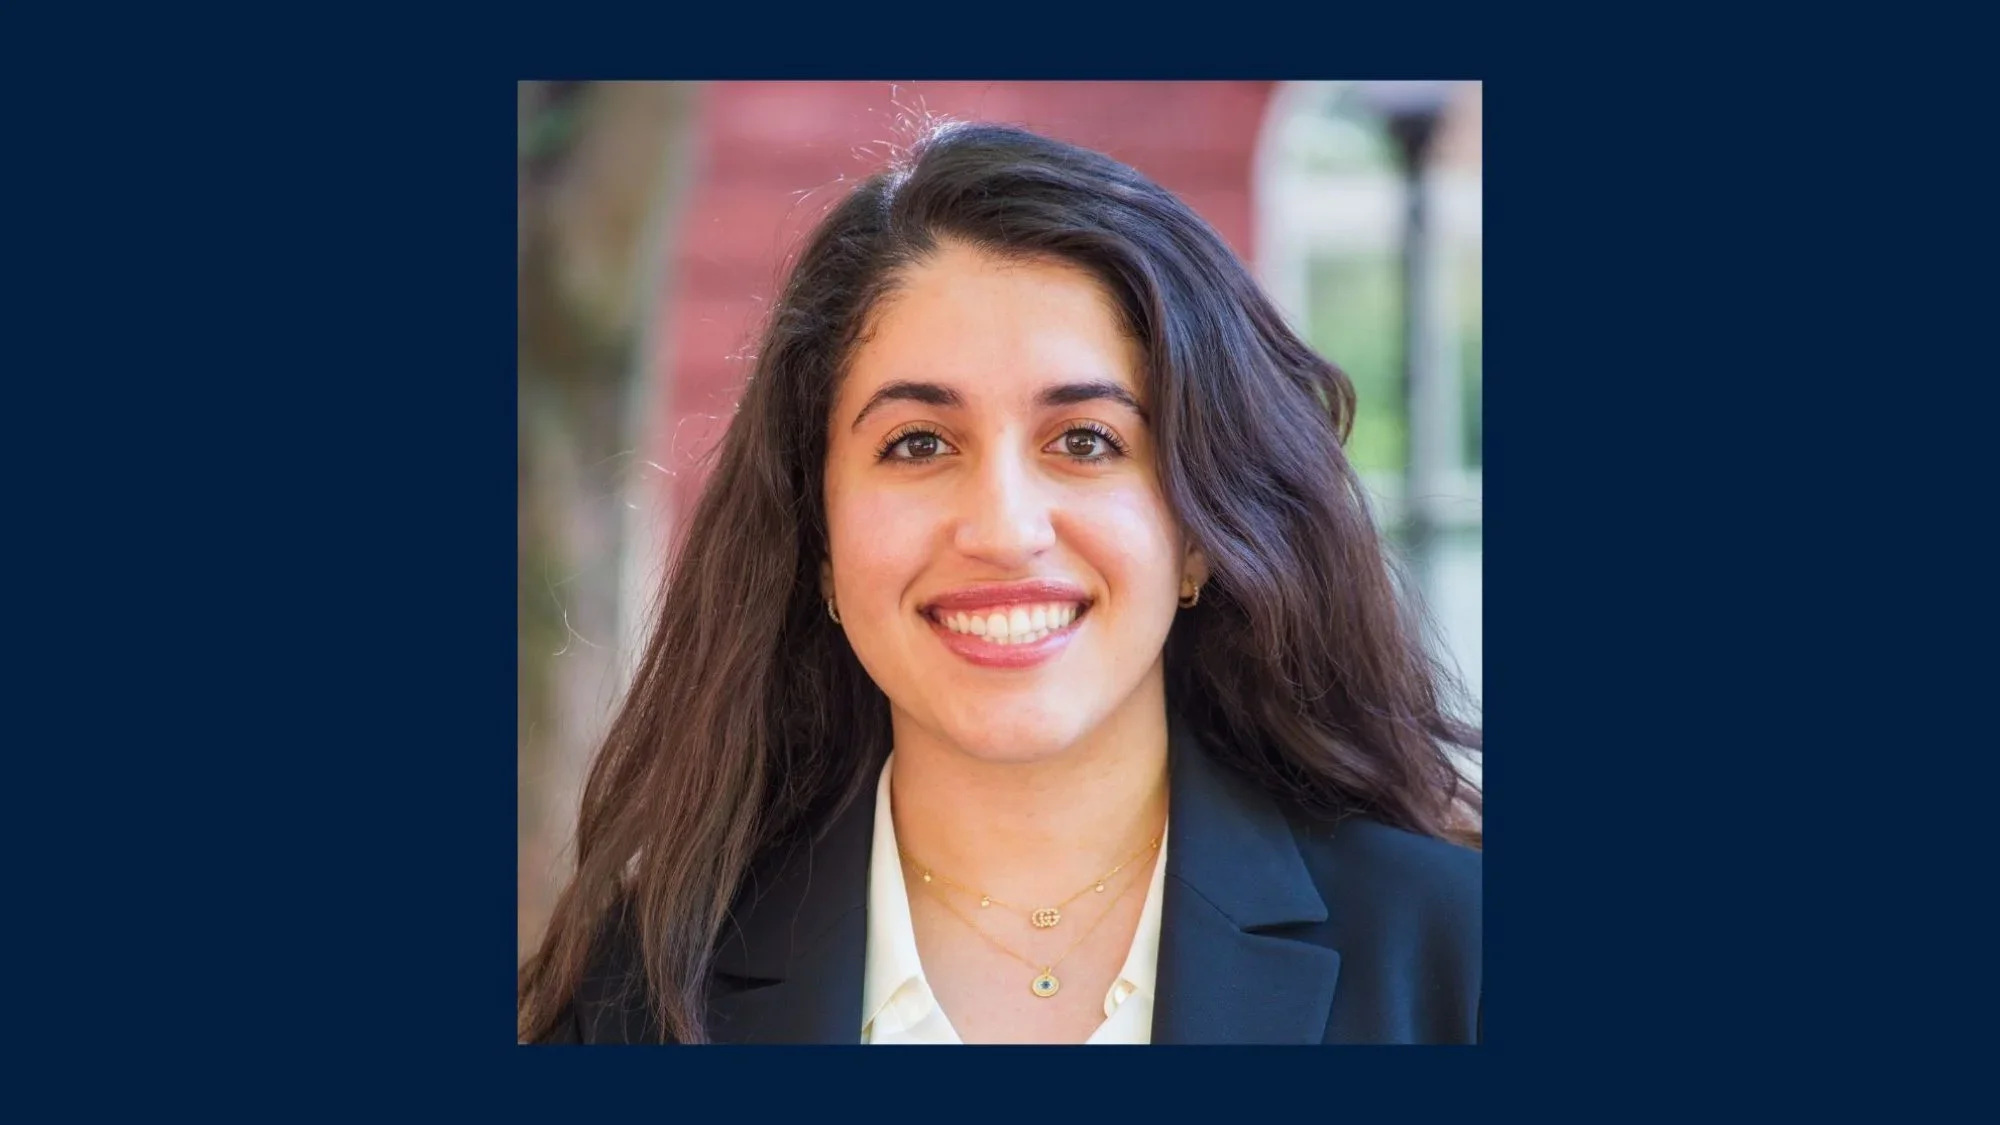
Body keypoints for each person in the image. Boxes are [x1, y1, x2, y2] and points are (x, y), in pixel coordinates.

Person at [518, 120, 1482, 1045]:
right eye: (920, 443)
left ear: (1198, 530)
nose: (1003, 530)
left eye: (1085, 441)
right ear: (817, 537)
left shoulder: (1456, 962)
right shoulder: (631, 1004)